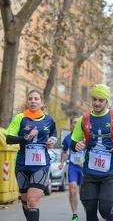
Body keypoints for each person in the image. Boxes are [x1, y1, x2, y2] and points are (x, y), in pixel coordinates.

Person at [70, 84, 113, 221]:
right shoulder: (84, 119)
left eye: (101, 100)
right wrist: (76, 146)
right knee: (90, 208)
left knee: (105, 209)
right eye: (94, 99)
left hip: (110, 172)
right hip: (90, 172)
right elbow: (73, 142)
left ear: (106, 101)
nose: (97, 103)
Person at [6, 89, 57, 221]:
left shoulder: (48, 119)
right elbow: (9, 139)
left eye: (36, 99)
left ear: (42, 103)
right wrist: (27, 136)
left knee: (33, 200)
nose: (33, 101)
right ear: (27, 102)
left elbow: (54, 134)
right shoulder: (20, 118)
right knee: (26, 203)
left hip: (41, 165)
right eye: (30, 99)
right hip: (22, 165)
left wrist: (52, 141)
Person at [59, 116, 84, 221]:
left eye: (78, 122)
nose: (76, 124)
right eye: (74, 122)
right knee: (72, 189)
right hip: (73, 166)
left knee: (83, 192)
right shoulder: (68, 138)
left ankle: (87, 206)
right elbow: (64, 151)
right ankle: (75, 214)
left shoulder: (86, 137)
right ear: (71, 125)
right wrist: (62, 163)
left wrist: (85, 161)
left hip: (83, 168)